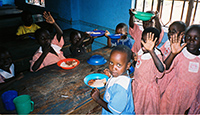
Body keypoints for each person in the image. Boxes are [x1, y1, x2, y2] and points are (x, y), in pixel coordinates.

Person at [160, 25, 200, 114]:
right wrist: (173, 54)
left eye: (196, 38)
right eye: (188, 37)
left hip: (191, 98)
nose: (191, 40)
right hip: (173, 94)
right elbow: (165, 68)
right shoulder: (180, 53)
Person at [90, 45, 135, 114]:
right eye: (111, 63)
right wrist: (111, 76)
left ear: (128, 66)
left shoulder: (121, 89)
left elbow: (113, 110)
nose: (113, 68)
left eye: (119, 65)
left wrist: (98, 99)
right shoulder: (121, 74)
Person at [132, 27, 165, 114]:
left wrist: (151, 51)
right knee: (137, 107)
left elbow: (161, 70)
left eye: (149, 42)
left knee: (148, 110)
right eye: (143, 41)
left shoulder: (156, 55)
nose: (145, 45)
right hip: (137, 86)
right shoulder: (141, 50)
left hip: (147, 91)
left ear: (156, 42)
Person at [158, 21, 186, 95]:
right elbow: (161, 52)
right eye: (169, 31)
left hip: (169, 79)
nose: (170, 34)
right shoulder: (168, 42)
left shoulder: (183, 50)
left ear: (182, 34)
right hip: (161, 74)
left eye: (173, 32)